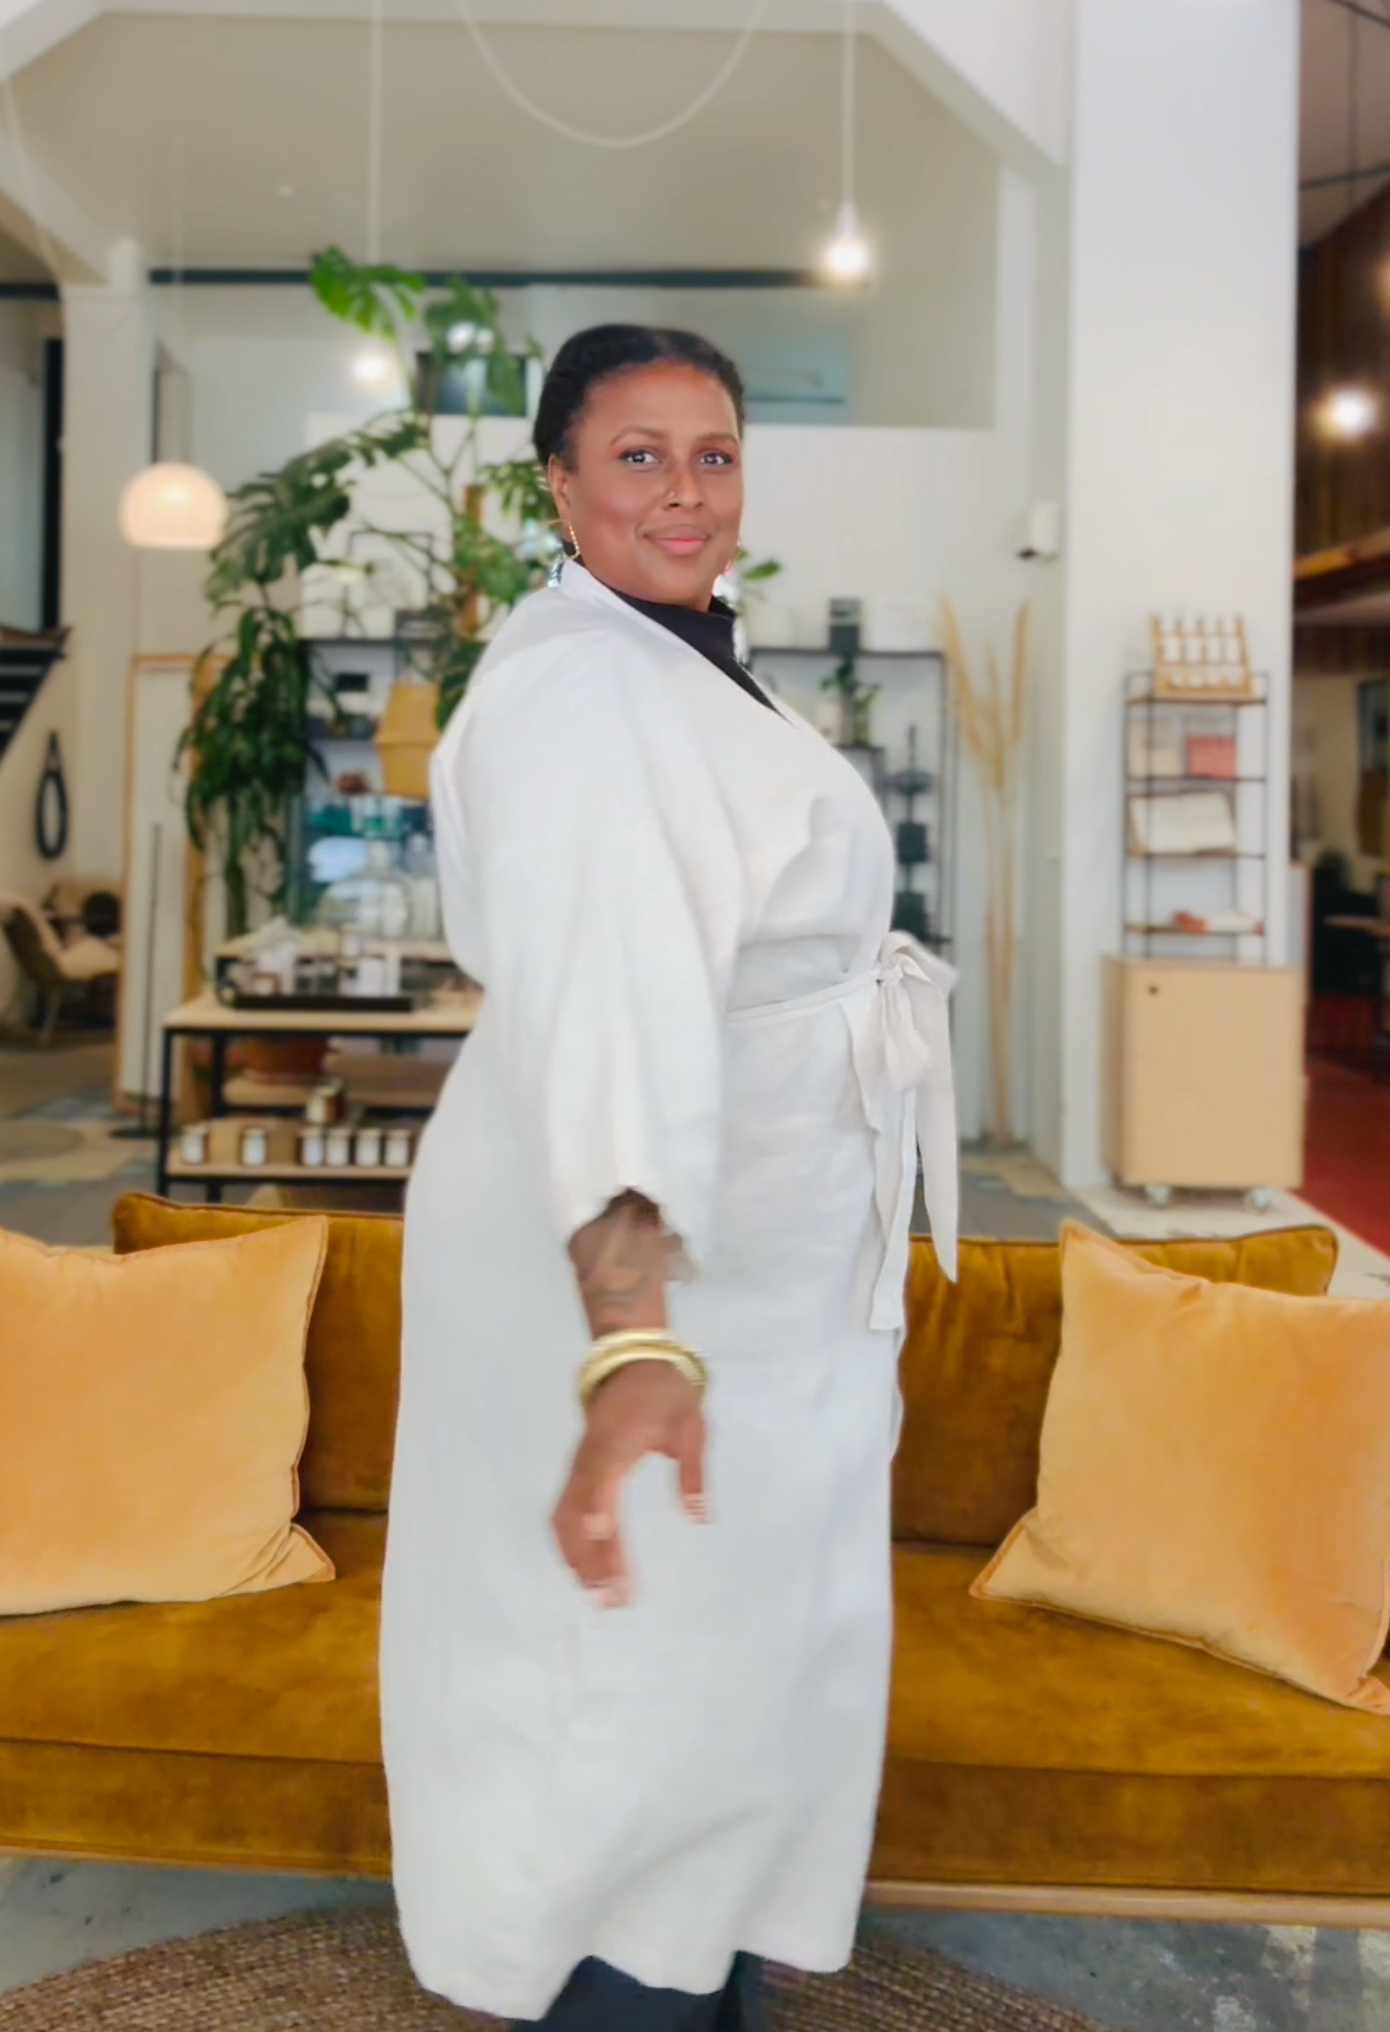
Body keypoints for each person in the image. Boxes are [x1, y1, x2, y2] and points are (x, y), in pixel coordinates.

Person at [379, 324, 959, 2030]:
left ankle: (686, 1970)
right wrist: (633, 1337)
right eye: (637, 455)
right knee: (625, 1664)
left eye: (713, 454)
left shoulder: (681, 657)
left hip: (756, 1269)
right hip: (637, 1258)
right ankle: (620, 1995)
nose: (685, 491)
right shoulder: (580, 689)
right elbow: (614, 1003)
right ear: (557, 482)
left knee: (706, 1664)